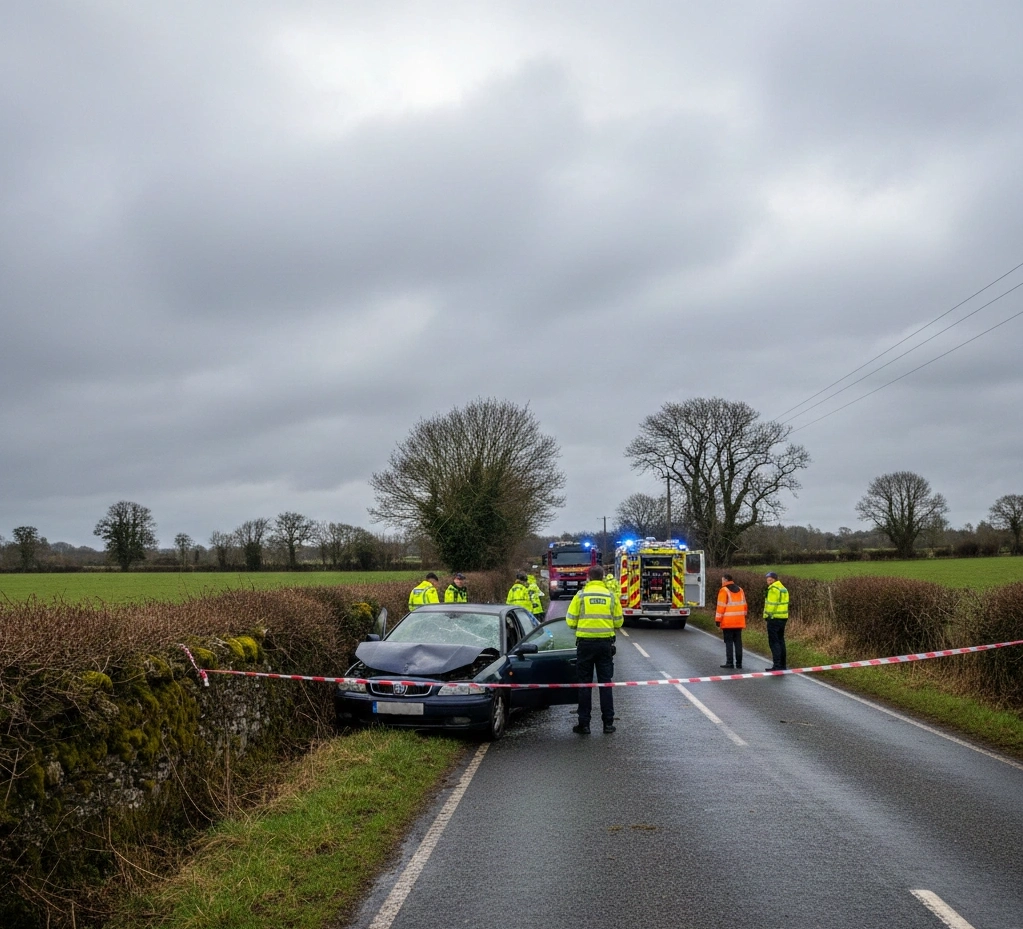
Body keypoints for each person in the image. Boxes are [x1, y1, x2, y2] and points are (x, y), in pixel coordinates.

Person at [566, 565, 624, 734]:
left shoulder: (581, 596)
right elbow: (619, 622)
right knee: (605, 684)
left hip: (585, 645)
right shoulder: (611, 596)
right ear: (603, 577)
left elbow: (570, 621)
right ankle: (608, 724)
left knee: (585, 684)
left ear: (588, 577)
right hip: (605, 644)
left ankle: (584, 724)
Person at [714, 573, 747, 669]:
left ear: (725, 580)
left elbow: (721, 607)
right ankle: (739, 663)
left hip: (728, 622)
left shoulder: (724, 590)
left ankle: (730, 662)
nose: (721, 582)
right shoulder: (740, 590)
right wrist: (743, 616)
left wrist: (718, 620)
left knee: (729, 643)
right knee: (738, 643)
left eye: (722, 580)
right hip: (739, 621)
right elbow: (744, 605)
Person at [763, 571, 790, 670]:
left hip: (774, 618)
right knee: (781, 641)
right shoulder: (783, 589)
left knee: (774, 642)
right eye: (767, 579)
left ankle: (777, 665)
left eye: (769, 579)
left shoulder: (773, 589)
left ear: (774, 579)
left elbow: (771, 605)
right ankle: (783, 665)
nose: (767, 581)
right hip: (783, 618)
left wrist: (767, 616)